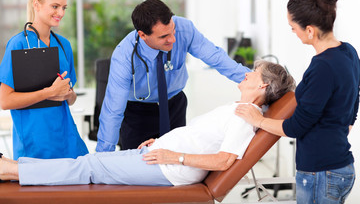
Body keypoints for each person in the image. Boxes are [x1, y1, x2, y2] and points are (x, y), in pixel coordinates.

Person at [0, 60, 295, 186]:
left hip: (170, 167)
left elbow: (224, 160)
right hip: (160, 155)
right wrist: (163, 143)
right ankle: (14, 169)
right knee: (90, 163)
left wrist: (173, 155)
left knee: (87, 167)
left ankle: (13, 171)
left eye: (253, 74)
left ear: (264, 87)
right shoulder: (238, 108)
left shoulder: (246, 116)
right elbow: (199, 135)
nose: (246, 74)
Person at [236, 0, 358, 204]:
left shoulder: (322, 67)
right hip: (342, 166)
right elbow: (354, 100)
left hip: (320, 173)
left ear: (309, 30)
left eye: (293, 27)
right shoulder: (348, 52)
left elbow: (295, 128)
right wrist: (337, 131)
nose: (293, 32)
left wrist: (258, 120)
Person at [96, 0, 251, 151]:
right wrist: (103, 157)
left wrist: (255, 82)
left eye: (173, 31)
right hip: (137, 114)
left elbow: (217, 58)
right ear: (143, 35)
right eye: (164, 37)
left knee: (176, 165)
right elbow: (113, 109)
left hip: (174, 106)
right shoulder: (124, 55)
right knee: (137, 168)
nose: (173, 39)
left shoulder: (185, 29)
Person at [0, 0, 88, 160]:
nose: (61, 13)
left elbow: (70, 98)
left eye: (64, 7)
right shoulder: (18, 44)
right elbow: (5, 101)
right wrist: (49, 92)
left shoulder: (64, 45)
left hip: (67, 140)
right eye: (55, 6)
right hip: (35, 143)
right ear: (36, 4)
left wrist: (68, 94)